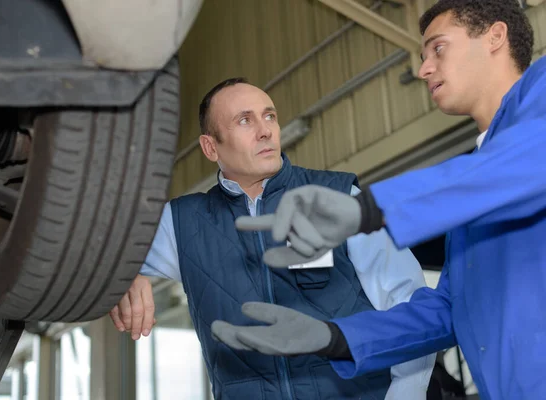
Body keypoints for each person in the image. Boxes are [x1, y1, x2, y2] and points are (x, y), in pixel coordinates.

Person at [211, 1, 546, 399]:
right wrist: (335, 337)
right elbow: (448, 311)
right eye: (423, 57)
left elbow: (529, 160)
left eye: (438, 49)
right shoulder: (472, 199)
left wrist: (366, 209)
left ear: (495, 36)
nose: (423, 69)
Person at [109, 77, 436, 399]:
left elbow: (406, 301)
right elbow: (91, 256)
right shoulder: (180, 223)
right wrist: (126, 271)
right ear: (211, 147)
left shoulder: (337, 199)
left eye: (269, 116)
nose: (265, 130)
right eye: (244, 120)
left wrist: (405, 394)